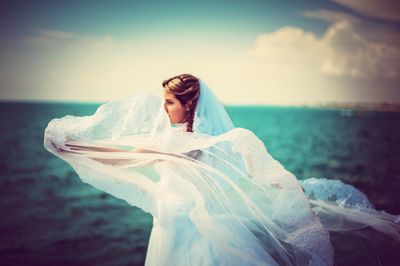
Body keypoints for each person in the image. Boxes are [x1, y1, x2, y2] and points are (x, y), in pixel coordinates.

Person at [44, 74, 399, 266]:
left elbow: (126, 156)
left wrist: (74, 147)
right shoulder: (214, 141)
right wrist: (76, 148)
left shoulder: (186, 142)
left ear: (189, 103)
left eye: (169, 101)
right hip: (176, 226)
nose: (163, 108)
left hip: (185, 231)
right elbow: (128, 155)